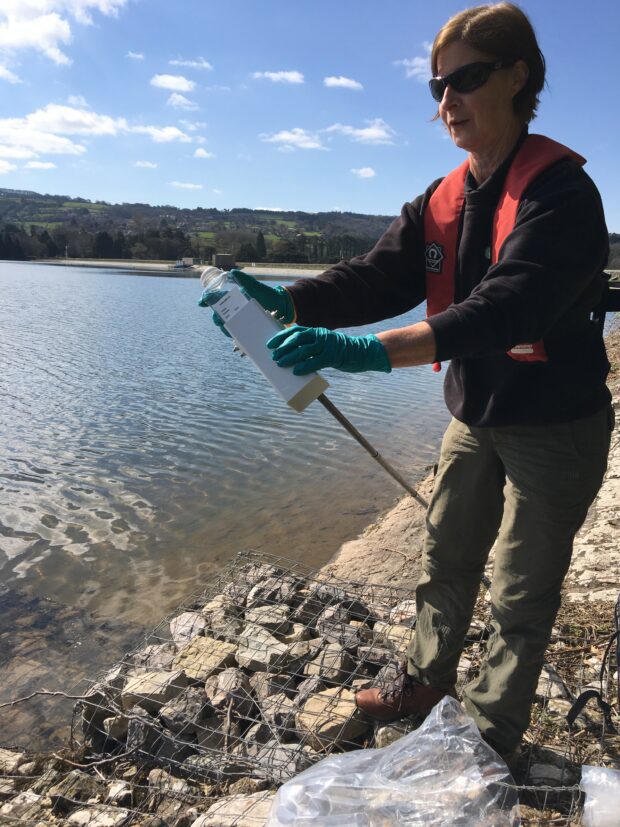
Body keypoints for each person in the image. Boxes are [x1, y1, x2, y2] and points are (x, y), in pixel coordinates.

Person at [200, 2, 613, 769]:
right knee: (445, 552)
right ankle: (424, 680)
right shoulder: (442, 196)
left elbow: (504, 308)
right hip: (477, 413)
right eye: (436, 86)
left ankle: (488, 738)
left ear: (519, 76)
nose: (445, 102)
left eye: (466, 79)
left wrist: (363, 354)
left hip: (557, 424)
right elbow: (377, 275)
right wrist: (285, 302)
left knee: (520, 592)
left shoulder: (562, 196)